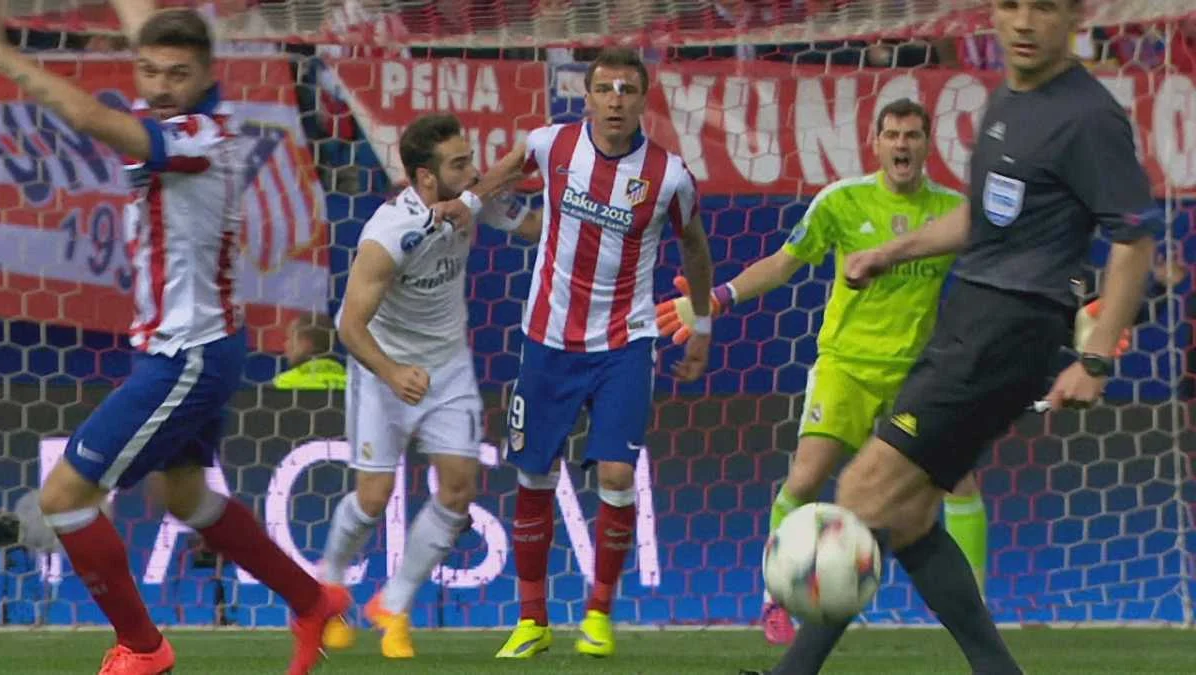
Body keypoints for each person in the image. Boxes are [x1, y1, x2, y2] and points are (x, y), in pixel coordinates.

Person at [742, 0, 1159, 673]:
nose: (1023, 23)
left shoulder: (1088, 117)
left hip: (1009, 330)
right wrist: (892, 251)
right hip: (972, 320)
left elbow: (1134, 239)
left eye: (1044, 8)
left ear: (1075, 17)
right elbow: (983, 218)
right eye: (1011, 5)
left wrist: (1095, 355)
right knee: (906, 518)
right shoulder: (1007, 101)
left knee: (862, 490)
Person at [0, 4, 349, 674]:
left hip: (187, 355)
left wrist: (5, 56)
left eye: (176, 75)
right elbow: (145, 27)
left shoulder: (199, 137)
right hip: (191, 344)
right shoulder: (169, 111)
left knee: (63, 498)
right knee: (186, 495)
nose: (159, 86)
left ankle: (143, 646)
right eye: (149, 72)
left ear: (209, 76)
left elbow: (90, 119)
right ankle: (312, 600)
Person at [657, 98, 992, 645]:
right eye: (892, 135)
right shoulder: (841, 201)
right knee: (807, 478)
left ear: (928, 144)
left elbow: (1002, 263)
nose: (902, 145)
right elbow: (783, 264)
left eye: (912, 135)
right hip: (845, 367)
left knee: (958, 481)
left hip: (915, 374)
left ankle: (974, 608)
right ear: (875, 144)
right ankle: (774, 600)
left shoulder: (952, 210)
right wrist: (720, 297)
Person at [433, 47, 714, 659]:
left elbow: (694, 246)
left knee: (616, 474)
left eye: (627, 90)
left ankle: (599, 615)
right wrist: (467, 205)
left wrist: (702, 323)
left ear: (643, 101)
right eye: (604, 89)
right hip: (548, 339)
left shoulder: (668, 176)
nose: (615, 100)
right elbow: (506, 170)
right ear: (585, 97)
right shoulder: (552, 144)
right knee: (534, 473)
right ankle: (532, 620)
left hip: (625, 342)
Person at [316, 113, 541, 659]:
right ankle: (325, 590)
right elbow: (350, 327)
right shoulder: (388, 234)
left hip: (448, 367)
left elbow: (536, 227)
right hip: (382, 368)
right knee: (373, 499)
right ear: (424, 177)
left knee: (459, 490)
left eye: (470, 159)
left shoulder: (472, 201)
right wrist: (392, 372)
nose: (472, 172)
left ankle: (394, 605)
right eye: (459, 164)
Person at [272, 312, 347, 390]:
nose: (285, 344)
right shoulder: (350, 382)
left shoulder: (284, 383)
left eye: (290, 338)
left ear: (305, 342)